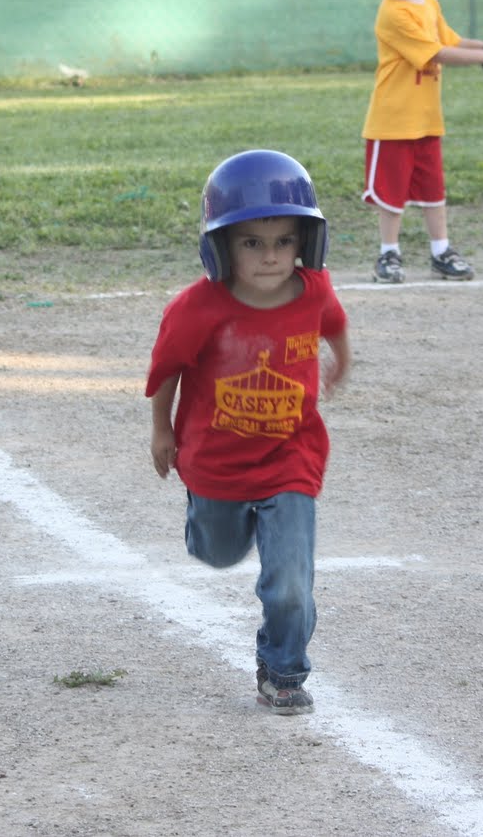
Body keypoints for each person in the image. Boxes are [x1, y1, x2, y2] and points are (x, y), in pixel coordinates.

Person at [146, 149, 352, 716]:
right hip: (216, 462)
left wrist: (342, 360)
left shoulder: (313, 289)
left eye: (284, 241)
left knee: (290, 582)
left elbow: (334, 322)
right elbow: (167, 370)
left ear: (305, 241)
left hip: (291, 457)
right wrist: (162, 431)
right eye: (252, 243)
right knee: (217, 552)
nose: (271, 256)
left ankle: (282, 670)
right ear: (221, 246)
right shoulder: (197, 308)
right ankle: (216, 519)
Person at [361, 0, 483, 284]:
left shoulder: (428, 2)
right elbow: (436, 53)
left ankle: (440, 251)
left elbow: (452, 41)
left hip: (426, 118)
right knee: (391, 195)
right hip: (393, 121)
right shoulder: (393, 13)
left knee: (434, 191)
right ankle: (388, 254)